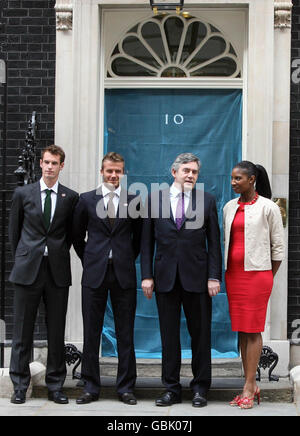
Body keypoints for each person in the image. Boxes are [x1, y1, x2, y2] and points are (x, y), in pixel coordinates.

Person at [141, 153, 222, 408]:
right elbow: (146, 243)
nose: (190, 175)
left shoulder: (206, 200)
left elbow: (214, 243)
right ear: (173, 172)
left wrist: (213, 276)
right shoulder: (155, 199)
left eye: (194, 172)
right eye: (186, 170)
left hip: (198, 279)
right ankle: (171, 389)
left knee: (200, 335)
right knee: (169, 336)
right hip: (165, 278)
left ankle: (200, 388)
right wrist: (146, 275)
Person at [8, 145, 79, 405]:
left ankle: (56, 385)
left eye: (55, 163)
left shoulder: (70, 198)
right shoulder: (22, 194)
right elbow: (14, 233)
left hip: (57, 272)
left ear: (62, 166)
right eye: (46, 162)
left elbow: (71, 235)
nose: (50, 167)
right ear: (40, 164)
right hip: (28, 271)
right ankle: (19, 384)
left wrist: (56, 252)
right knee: (22, 332)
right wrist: (27, 256)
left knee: (56, 331)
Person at [72, 152, 142, 406]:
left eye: (118, 171)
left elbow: (138, 239)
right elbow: (77, 237)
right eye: (109, 171)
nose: (114, 175)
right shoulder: (86, 200)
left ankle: (125, 388)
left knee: (126, 333)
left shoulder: (134, 200)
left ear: (123, 173)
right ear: (101, 171)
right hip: (94, 273)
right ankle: (90, 386)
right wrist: (91, 259)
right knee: (92, 331)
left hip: (123, 273)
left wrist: (122, 257)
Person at [223, 161, 285, 410]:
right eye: (232, 178)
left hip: (258, 276)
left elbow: (278, 248)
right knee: (241, 329)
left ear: (252, 180)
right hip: (234, 275)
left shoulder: (268, 207)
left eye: (238, 178)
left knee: (253, 329)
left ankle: (250, 385)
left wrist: (267, 275)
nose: (233, 182)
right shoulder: (229, 207)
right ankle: (248, 383)